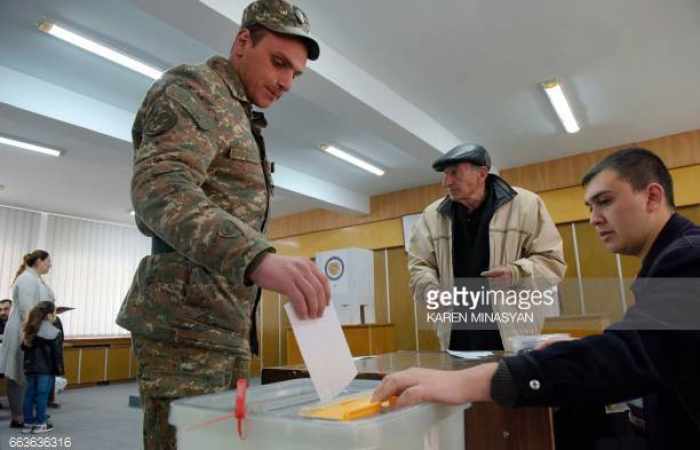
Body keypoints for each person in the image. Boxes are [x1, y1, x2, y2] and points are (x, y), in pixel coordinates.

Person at [373, 148, 700, 449]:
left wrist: (517, 273)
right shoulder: (672, 258)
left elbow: (633, 351)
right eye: (591, 206)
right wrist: (431, 291)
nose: (593, 218)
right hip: (456, 340)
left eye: (605, 201)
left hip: (513, 339)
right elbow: (651, 347)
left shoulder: (687, 258)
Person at [115, 1, 329, 448]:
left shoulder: (239, 113)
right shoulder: (196, 90)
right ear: (242, 42)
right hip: (186, 329)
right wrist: (257, 257)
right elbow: (160, 189)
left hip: (220, 325)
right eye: (278, 63)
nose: (287, 81)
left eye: (296, 73)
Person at [408, 144, 566, 351]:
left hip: (512, 331)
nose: (446, 182)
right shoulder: (432, 215)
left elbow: (552, 262)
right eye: (445, 175)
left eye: (454, 173)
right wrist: (429, 288)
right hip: (455, 334)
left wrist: (516, 272)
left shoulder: (526, 205)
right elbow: (419, 264)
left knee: (508, 382)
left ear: (482, 173)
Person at [0, 250, 55, 429]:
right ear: (39, 261)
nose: (50, 265)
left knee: (26, 375)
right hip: (23, 330)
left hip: (31, 329)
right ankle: (18, 416)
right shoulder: (26, 279)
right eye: (48, 261)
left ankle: (26, 414)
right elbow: (26, 310)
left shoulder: (35, 279)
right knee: (18, 374)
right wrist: (28, 335)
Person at [20, 301, 63, 434]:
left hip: (30, 368)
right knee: (42, 396)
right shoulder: (54, 331)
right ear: (50, 315)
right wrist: (59, 370)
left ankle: (27, 423)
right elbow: (57, 354)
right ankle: (41, 423)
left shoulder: (29, 328)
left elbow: (23, 347)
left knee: (29, 394)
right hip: (46, 369)